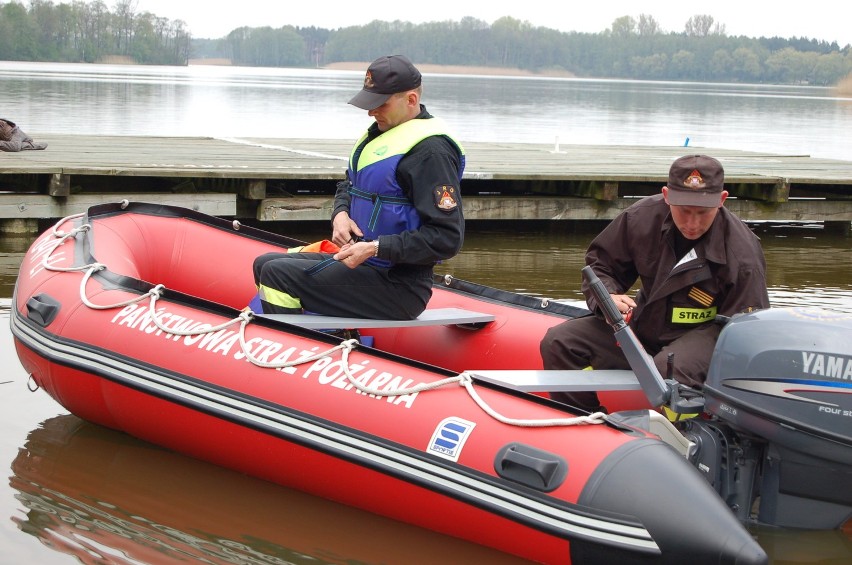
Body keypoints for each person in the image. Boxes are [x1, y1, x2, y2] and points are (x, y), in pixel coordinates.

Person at [540, 154, 770, 412]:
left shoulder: (742, 254)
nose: (692, 224)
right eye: (684, 211)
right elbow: (601, 265)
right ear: (666, 195)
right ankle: (586, 421)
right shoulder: (640, 219)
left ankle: (674, 438)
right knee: (560, 341)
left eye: (703, 213)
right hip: (644, 327)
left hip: (704, 338)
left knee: (666, 370)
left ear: (722, 200)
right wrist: (608, 297)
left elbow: (746, 330)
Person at [253, 55, 465, 320]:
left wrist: (376, 248)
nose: (371, 111)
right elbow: (349, 184)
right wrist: (340, 213)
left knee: (277, 275)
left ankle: (297, 349)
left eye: (380, 104)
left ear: (411, 100)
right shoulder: (381, 135)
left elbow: (447, 238)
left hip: (398, 285)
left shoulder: (431, 154)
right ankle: (328, 337)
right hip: (362, 264)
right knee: (264, 264)